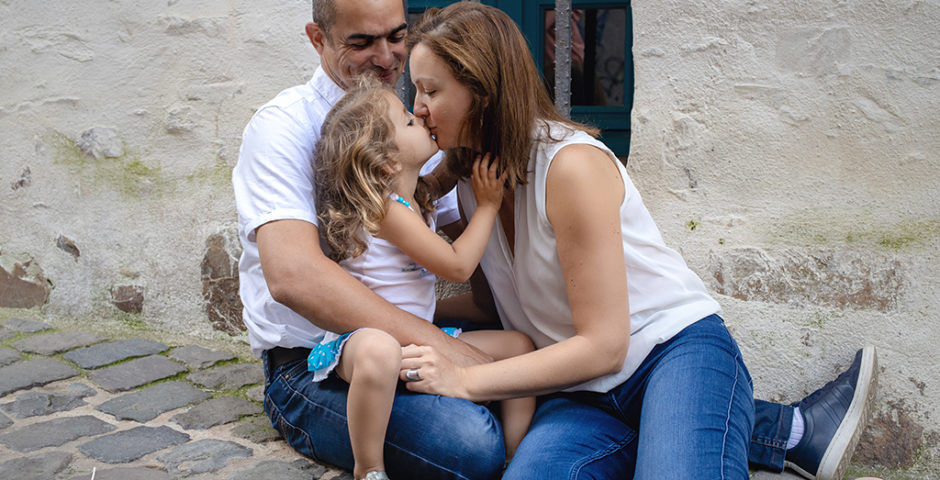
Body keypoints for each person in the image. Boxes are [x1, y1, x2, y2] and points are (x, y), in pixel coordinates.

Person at [233, 1, 875, 479]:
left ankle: (716, 431)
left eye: (428, 92)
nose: (416, 108)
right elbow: (483, 298)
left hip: (667, 354)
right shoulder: (460, 178)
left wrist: (466, 376)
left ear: (482, 92)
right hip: (577, 390)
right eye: (415, 94)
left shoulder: (567, 164)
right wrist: (436, 335)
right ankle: (774, 433)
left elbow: (603, 343)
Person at [308, 81, 535, 480]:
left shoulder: (415, 201)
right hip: (362, 342)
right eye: (409, 120)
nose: (422, 116)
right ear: (386, 162)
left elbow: (439, 182)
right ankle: (369, 468)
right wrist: (487, 205)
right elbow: (457, 267)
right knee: (380, 350)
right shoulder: (386, 210)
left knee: (519, 346)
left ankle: (516, 460)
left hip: (419, 338)